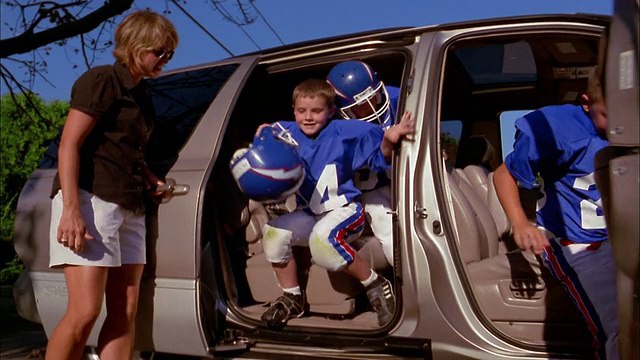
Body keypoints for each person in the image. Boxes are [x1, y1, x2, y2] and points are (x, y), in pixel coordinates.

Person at [45, 10, 178, 360]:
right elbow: (69, 144)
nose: (165, 59)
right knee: (85, 311)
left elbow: (122, 146)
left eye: (169, 54)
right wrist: (71, 211)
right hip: (92, 201)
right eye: (159, 52)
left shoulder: (141, 93)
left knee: (126, 310)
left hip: (130, 205)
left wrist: (149, 176)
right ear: (136, 46)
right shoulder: (103, 80)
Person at [255, 78, 414, 328]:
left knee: (323, 243)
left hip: (344, 209)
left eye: (316, 111)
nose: (308, 117)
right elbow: (266, 133)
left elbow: (378, 159)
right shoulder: (284, 132)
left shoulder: (349, 131)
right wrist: (262, 133)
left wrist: (388, 140)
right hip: (310, 211)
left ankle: (376, 285)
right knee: (273, 234)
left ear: (330, 111)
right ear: (293, 110)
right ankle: (292, 296)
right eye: (301, 111)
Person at [493, 77, 619, 359]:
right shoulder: (563, 130)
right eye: (607, 115)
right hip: (577, 241)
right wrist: (521, 222)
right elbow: (505, 174)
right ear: (586, 104)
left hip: (621, 239)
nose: (615, 125)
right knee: (617, 325)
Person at [326, 60, 400, 265]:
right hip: (373, 190)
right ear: (344, 110)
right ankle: (409, 277)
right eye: (360, 106)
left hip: (405, 180)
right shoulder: (338, 129)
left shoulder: (401, 99)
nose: (370, 107)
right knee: (388, 230)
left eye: (372, 97)